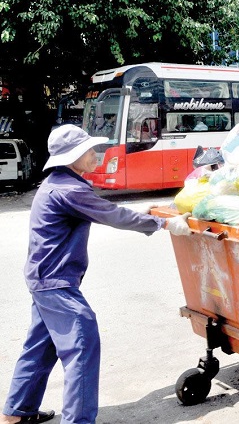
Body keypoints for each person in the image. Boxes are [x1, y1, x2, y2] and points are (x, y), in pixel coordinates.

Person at [1, 125, 191, 424]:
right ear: (72, 157)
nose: (95, 154)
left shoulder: (57, 183)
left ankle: (16, 412)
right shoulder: (70, 189)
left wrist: (151, 212)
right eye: (88, 150)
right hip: (55, 283)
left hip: (44, 279)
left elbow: (105, 209)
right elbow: (112, 215)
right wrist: (163, 224)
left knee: (41, 346)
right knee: (82, 345)